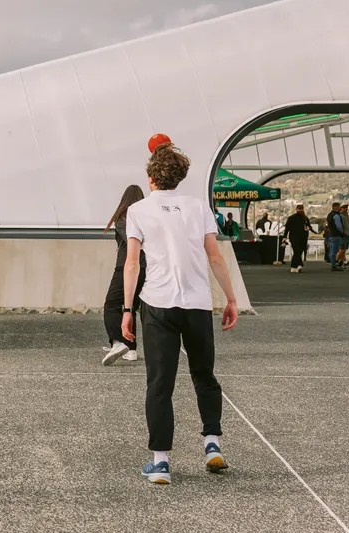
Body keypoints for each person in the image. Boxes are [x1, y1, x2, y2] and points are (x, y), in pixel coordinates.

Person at [122, 143, 240, 485]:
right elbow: (214, 256)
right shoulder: (198, 207)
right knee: (204, 375)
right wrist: (230, 299)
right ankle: (212, 444)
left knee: (160, 383)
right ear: (180, 176)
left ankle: (160, 463)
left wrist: (127, 309)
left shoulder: (138, 210)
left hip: (158, 304)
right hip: (197, 303)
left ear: (150, 177)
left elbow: (132, 263)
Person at [101, 184, 145, 366]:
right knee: (131, 306)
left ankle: (118, 342)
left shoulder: (123, 217)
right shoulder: (145, 216)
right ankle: (131, 348)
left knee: (111, 305)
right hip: (146, 267)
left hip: (125, 267)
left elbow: (131, 240)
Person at [283, 204, 311, 273]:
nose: (301, 210)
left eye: (302, 208)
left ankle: (297, 266)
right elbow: (287, 228)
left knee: (299, 252)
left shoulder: (305, 218)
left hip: (303, 238)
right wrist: (284, 237)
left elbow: (308, 227)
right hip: (294, 237)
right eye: (299, 209)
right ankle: (296, 266)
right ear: (296, 209)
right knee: (296, 251)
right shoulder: (291, 218)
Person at [326, 203, 348, 271]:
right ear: (338, 208)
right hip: (336, 235)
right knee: (335, 251)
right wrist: (343, 232)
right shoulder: (336, 215)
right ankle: (333, 265)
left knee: (332, 251)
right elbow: (339, 226)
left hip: (331, 234)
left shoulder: (329, 215)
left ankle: (333, 264)